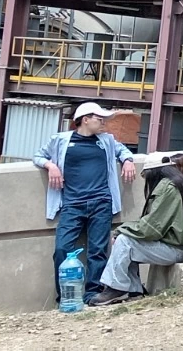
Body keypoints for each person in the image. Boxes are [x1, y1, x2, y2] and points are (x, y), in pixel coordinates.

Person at [34, 102, 137, 304]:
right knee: (62, 248)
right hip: (72, 204)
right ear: (85, 120)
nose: (103, 123)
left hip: (101, 202)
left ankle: (93, 294)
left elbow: (123, 151)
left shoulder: (106, 140)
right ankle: (65, 297)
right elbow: (38, 156)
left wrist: (128, 161)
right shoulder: (61, 140)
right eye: (100, 119)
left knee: (97, 250)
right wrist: (50, 166)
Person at [89, 155, 183, 306]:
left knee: (124, 241)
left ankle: (115, 287)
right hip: (175, 246)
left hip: (175, 249)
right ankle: (134, 290)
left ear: (153, 172)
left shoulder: (168, 188)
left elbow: (151, 228)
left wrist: (121, 230)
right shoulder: (174, 184)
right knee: (127, 238)